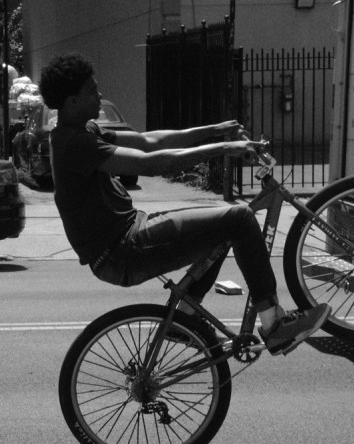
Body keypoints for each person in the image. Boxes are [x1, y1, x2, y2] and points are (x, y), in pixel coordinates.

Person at [39, 54, 326, 354]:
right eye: (91, 91)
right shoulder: (74, 144)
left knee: (223, 222)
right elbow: (151, 164)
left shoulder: (83, 131)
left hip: (129, 235)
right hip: (122, 251)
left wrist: (216, 130)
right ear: (71, 101)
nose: (99, 95)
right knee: (240, 219)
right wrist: (226, 148)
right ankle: (274, 325)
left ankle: (184, 320)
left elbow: (150, 141)